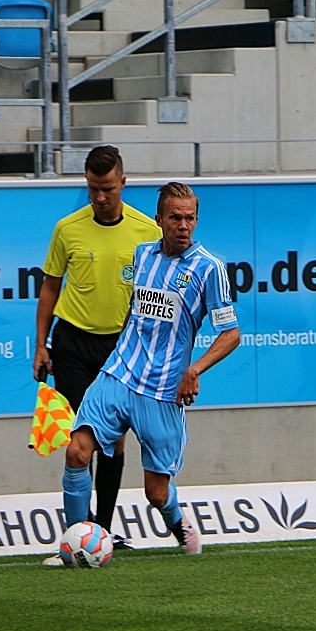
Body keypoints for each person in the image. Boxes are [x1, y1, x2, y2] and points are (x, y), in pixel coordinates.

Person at [53, 181, 240, 559]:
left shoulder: (210, 269)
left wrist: (195, 369)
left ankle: (180, 526)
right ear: (159, 220)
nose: (183, 225)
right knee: (76, 452)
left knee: (156, 492)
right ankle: (72, 546)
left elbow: (231, 334)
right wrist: (121, 347)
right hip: (119, 375)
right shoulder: (143, 255)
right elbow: (136, 310)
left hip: (163, 391)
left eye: (190, 218)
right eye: (175, 218)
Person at [33, 145, 161, 554]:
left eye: (107, 188)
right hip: (72, 342)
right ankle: (76, 534)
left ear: (122, 183)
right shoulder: (67, 229)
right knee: (80, 441)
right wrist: (41, 344)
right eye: (92, 189)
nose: (100, 197)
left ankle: (101, 533)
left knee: (115, 442)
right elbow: (51, 286)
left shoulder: (147, 231)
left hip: (121, 348)